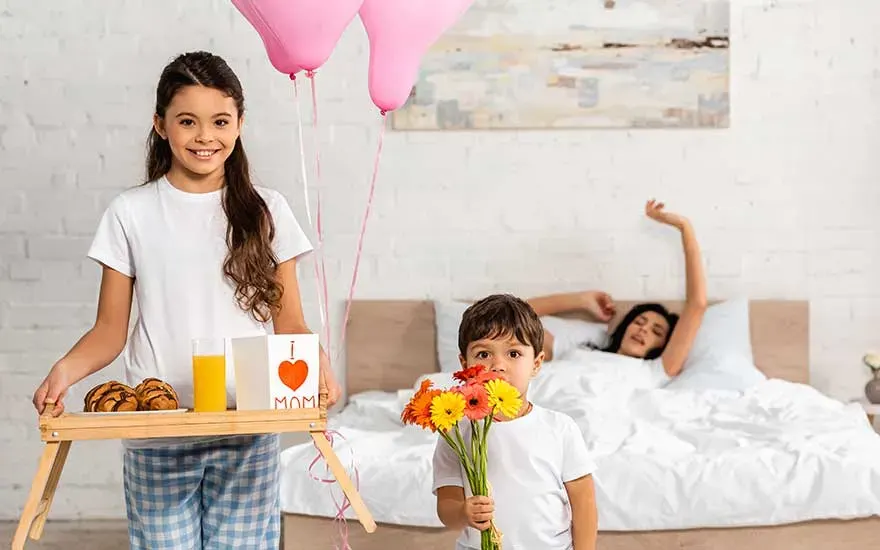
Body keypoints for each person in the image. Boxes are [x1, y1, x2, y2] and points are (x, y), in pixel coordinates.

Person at [31, 51, 341, 549]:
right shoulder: (131, 213)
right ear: (160, 125)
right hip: (159, 433)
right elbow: (109, 331)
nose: (204, 136)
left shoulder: (268, 210)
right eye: (187, 121)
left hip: (248, 426)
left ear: (239, 124)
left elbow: (290, 323)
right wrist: (63, 371)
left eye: (220, 121)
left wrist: (317, 359)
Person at [432, 294, 598, 550]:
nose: (498, 365)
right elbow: (446, 507)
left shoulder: (560, 428)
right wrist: (463, 513)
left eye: (513, 353)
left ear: (536, 363)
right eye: (483, 353)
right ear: (464, 365)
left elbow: (584, 503)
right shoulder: (456, 432)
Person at [528, 199, 707, 379]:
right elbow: (517, 316)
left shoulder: (654, 372)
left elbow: (697, 304)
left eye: (656, 331)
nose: (643, 330)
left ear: (664, 345)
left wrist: (685, 227)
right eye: (639, 322)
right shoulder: (579, 352)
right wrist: (582, 300)